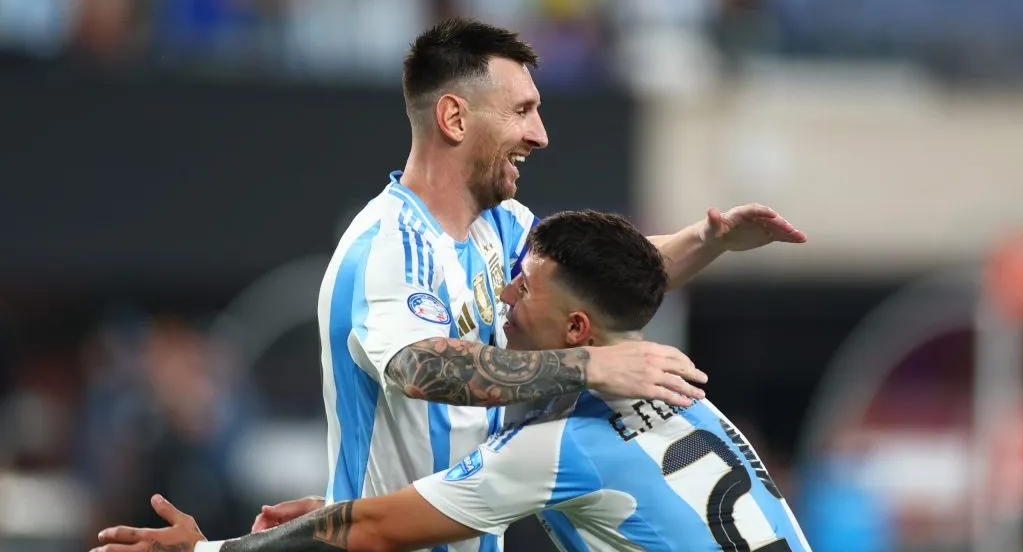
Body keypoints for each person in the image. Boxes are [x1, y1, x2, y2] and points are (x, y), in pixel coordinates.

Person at [258, 16, 805, 551]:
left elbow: (589, 287)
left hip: (427, 524)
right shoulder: (390, 247)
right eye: (522, 110)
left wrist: (706, 241)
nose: (539, 135)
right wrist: (591, 364)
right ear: (454, 118)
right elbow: (418, 367)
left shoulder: (504, 225)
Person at [92, 209, 812, 552]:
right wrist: (706, 240)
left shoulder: (563, 445)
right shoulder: (685, 397)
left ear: (577, 337)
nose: (503, 297)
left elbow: (375, 530)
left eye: (522, 288)